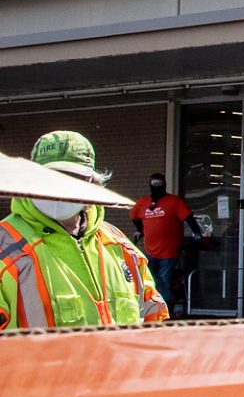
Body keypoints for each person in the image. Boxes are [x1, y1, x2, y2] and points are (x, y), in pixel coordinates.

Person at [0, 131, 168, 330]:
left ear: (93, 184)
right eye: (50, 178)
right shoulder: (6, 247)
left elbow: (153, 321)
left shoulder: (119, 247)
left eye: (72, 179)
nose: (59, 189)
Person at [130, 171, 201, 317]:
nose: (156, 188)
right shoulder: (143, 202)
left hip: (168, 252)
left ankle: (165, 310)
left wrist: (197, 233)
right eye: (154, 185)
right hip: (149, 250)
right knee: (150, 279)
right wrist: (141, 231)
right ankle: (165, 304)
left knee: (163, 280)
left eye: (159, 185)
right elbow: (135, 217)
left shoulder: (174, 202)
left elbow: (189, 217)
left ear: (165, 185)